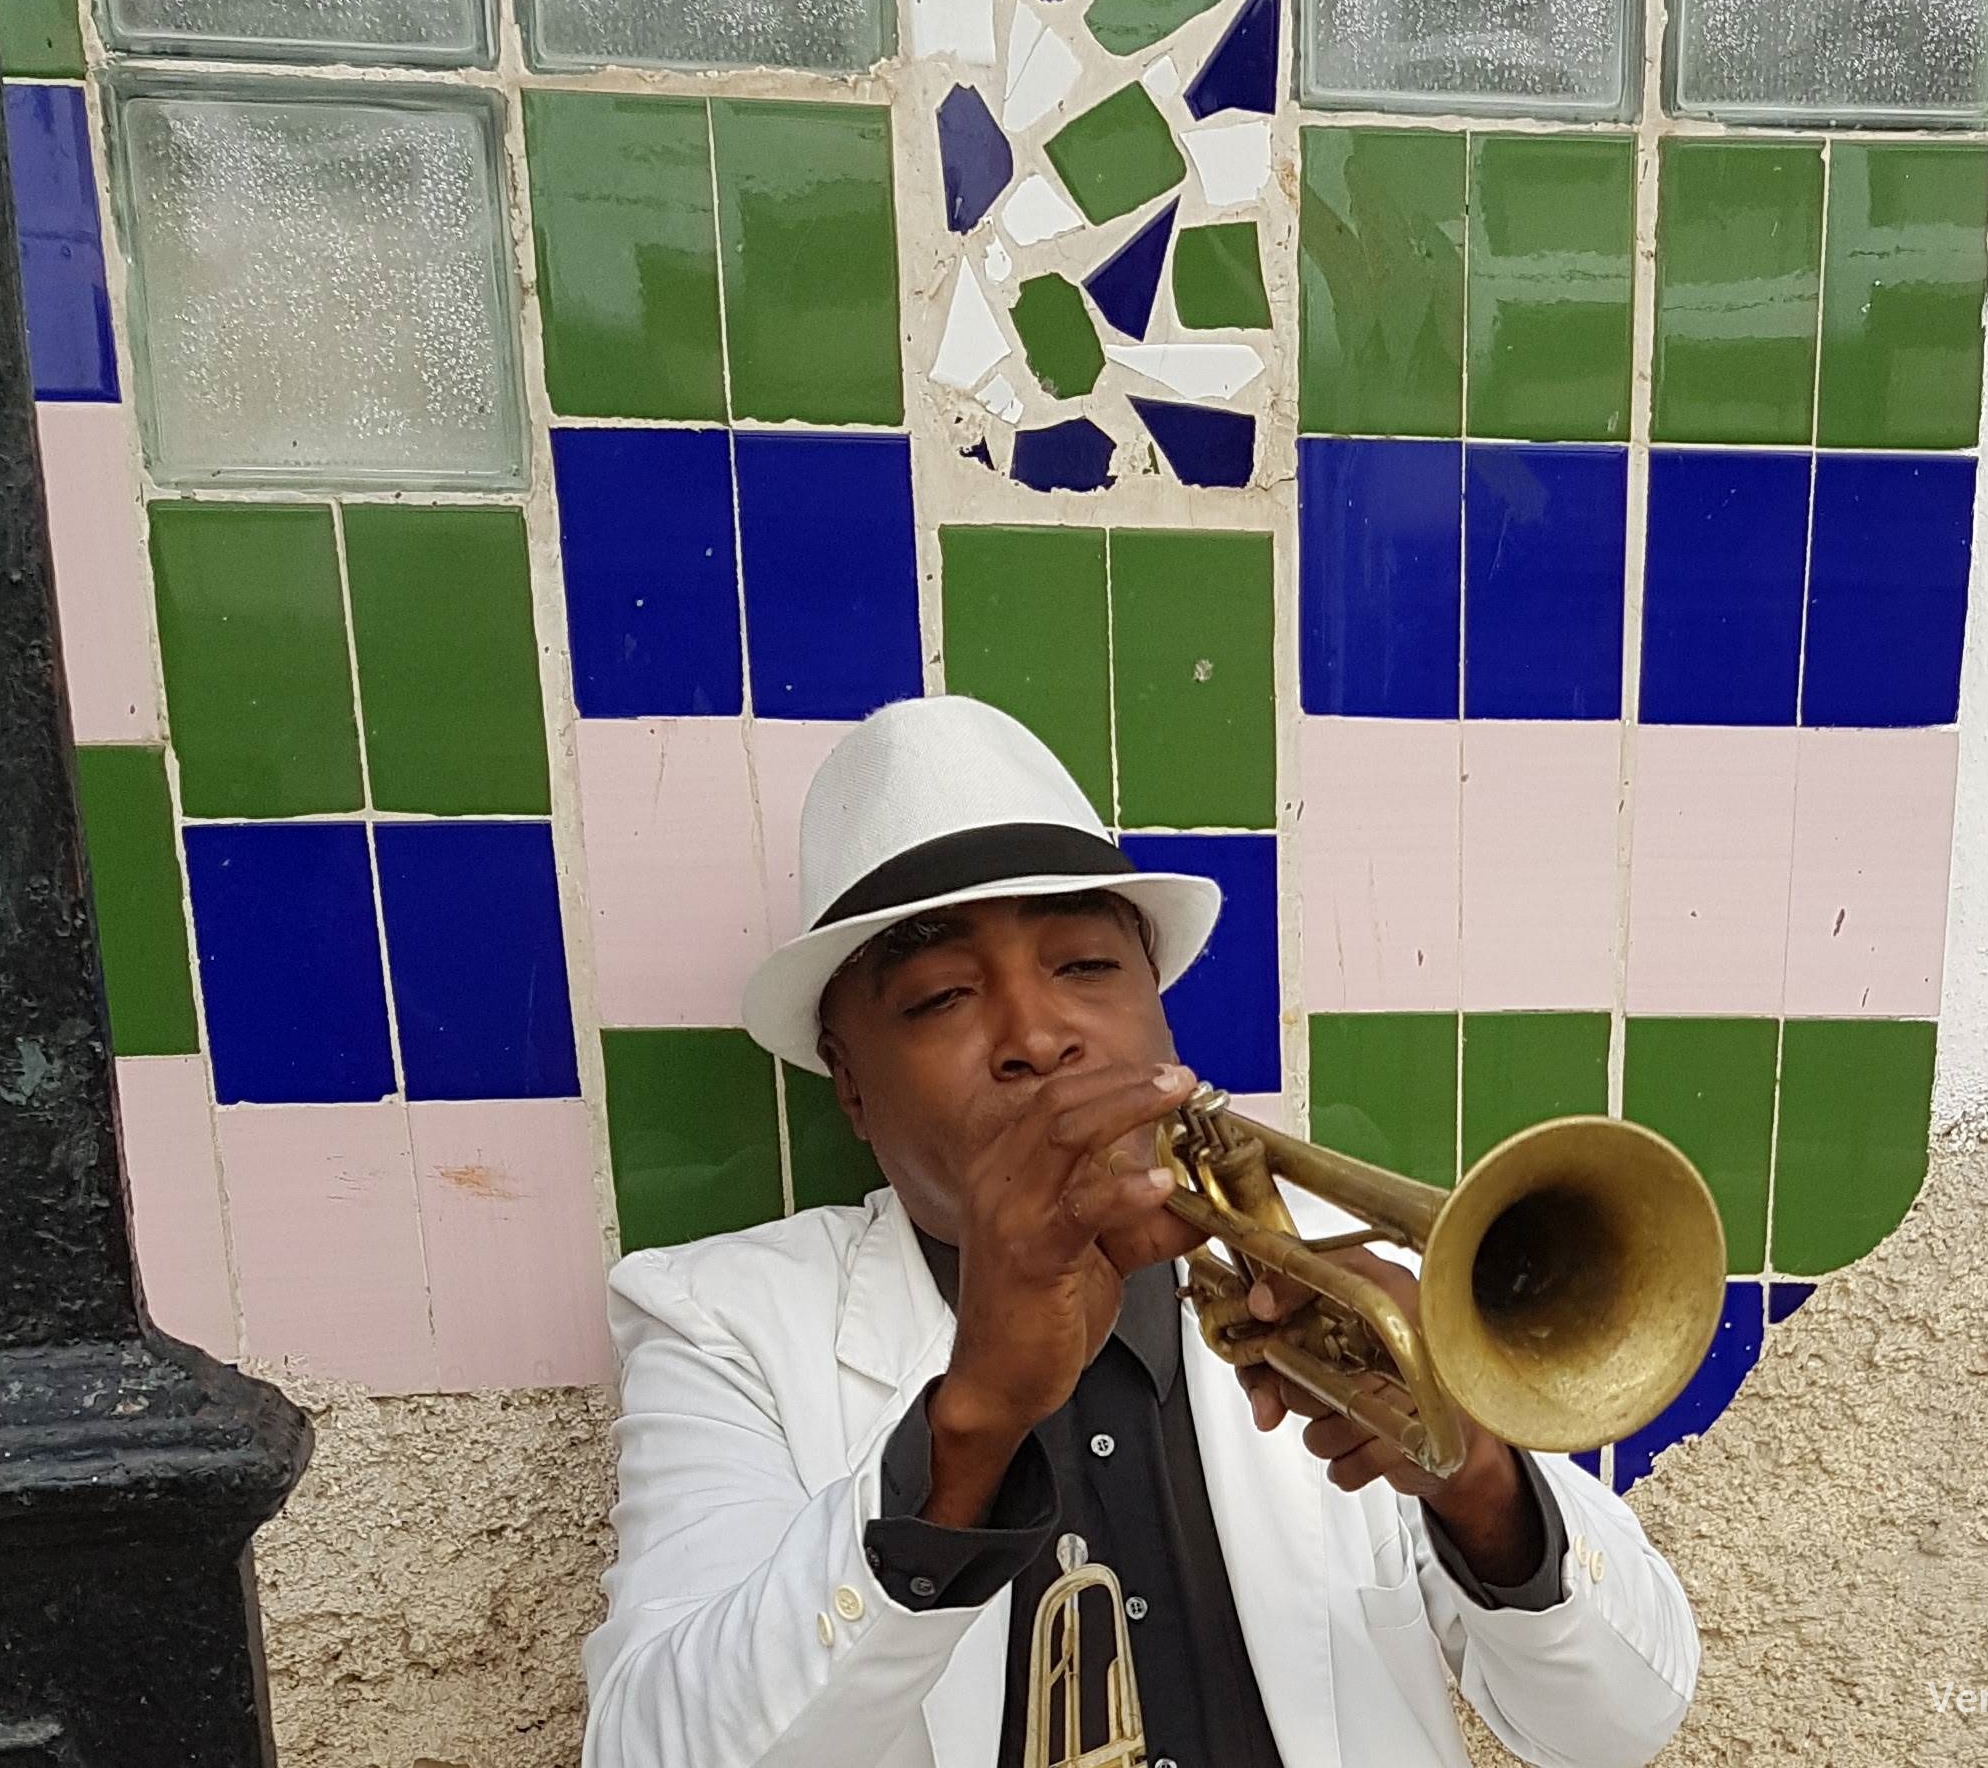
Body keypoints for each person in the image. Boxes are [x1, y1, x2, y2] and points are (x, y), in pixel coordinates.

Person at [581, 695, 1701, 1768]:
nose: (1035, 1036)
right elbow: (650, 1749)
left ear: (1156, 1014)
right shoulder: (716, 1322)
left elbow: (1619, 1726)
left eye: (1084, 968)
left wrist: (1482, 1484)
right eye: (939, 999)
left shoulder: (1350, 1268)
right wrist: (963, 1432)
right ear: (853, 1090)